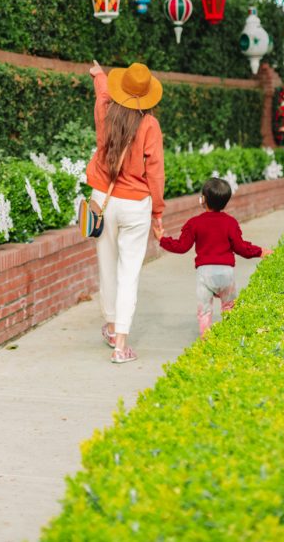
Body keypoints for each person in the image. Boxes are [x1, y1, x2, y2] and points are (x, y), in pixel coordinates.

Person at [86, 60, 165, 364]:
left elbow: (103, 92)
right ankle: (121, 344)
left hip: (103, 199)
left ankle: (109, 325)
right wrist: (157, 213)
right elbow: (155, 174)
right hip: (135, 204)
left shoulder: (107, 112)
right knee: (128, 273)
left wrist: (99, 74)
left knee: (107, 266)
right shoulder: (150, 125)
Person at [158, 177, 271, 336]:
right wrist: (260, 251)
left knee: (205, 312)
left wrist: (162, 239)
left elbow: (182, 247)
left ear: (203, 199)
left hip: (205, 274)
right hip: (227, 274)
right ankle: (230, 336)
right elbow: (241, 247)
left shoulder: (194, 223)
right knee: (229, 306)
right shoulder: (230, 223)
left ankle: (206, 338)